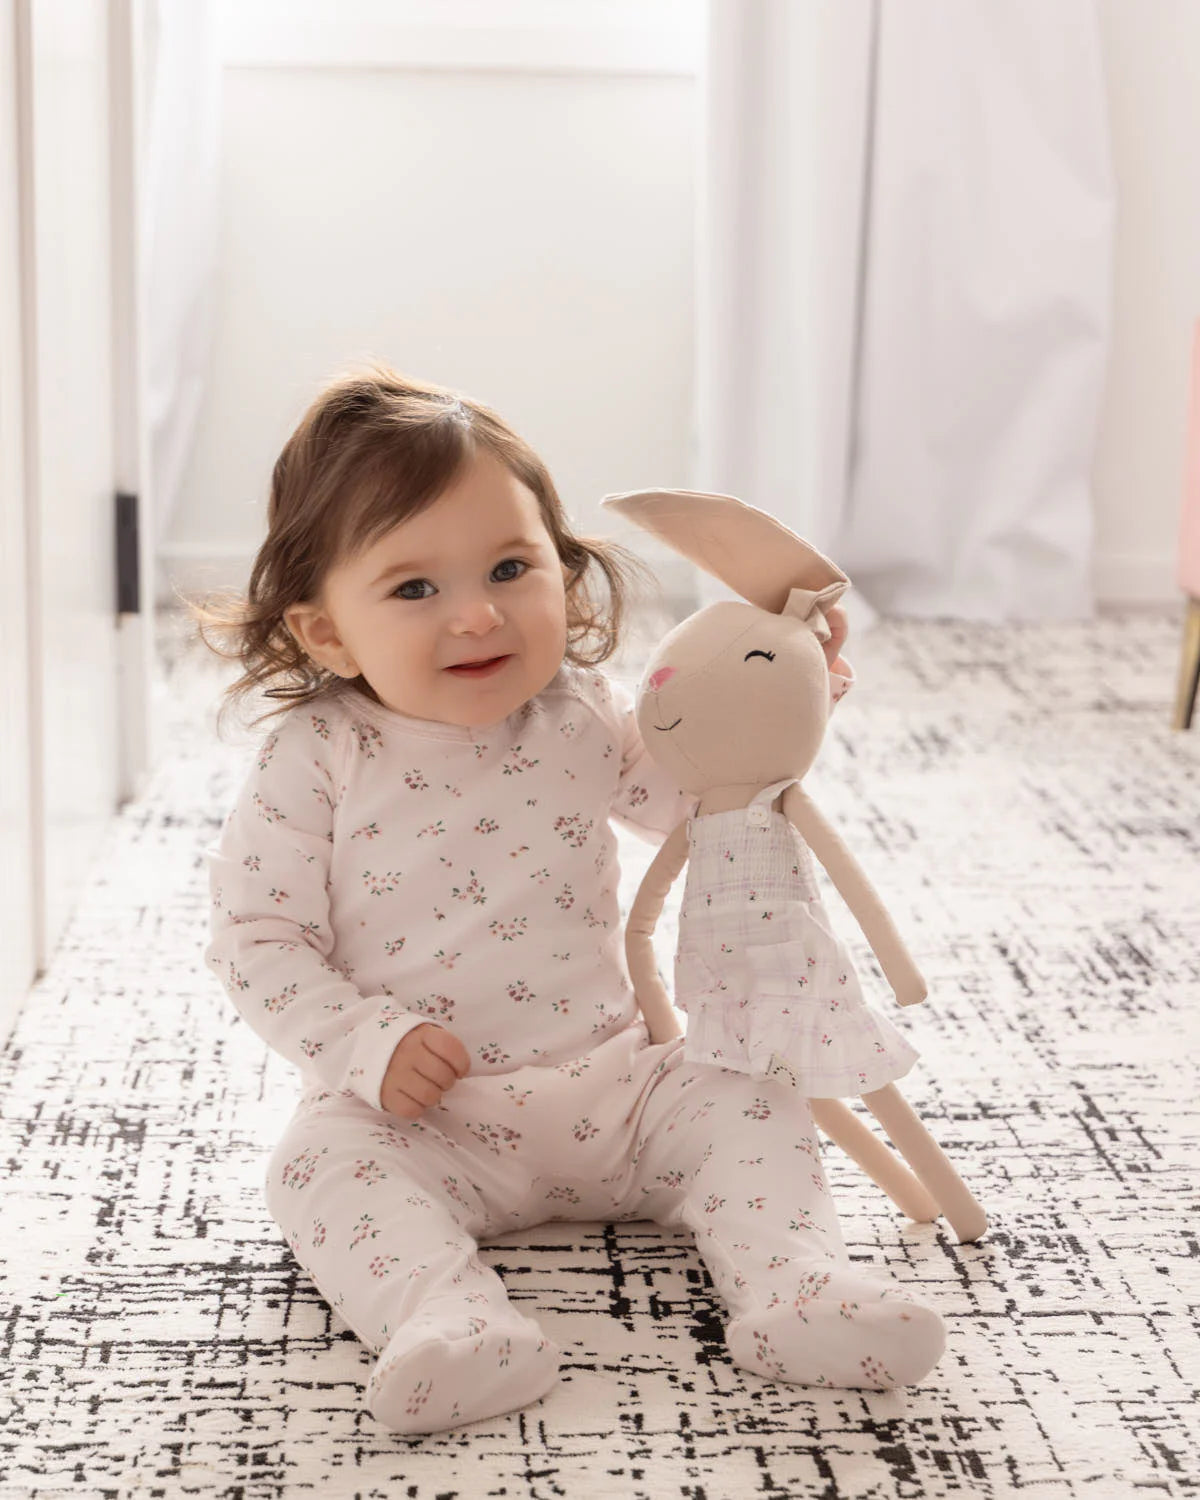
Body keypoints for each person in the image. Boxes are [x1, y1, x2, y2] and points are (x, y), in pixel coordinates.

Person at [201, 366, 945, 1436]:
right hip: (427, 1117)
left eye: (511, 567)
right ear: (324, 633)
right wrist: (363, 1043)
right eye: (415, 589)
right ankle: (447, 1323)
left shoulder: (583, 712)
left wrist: (778, 694)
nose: (477, 615)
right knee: (317, 1169)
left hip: (621, 1085)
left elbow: (707, 791)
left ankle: (793, 1290)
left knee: (750, 1093)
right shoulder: (316, 756)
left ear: (569, 577)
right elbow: (257, 938)